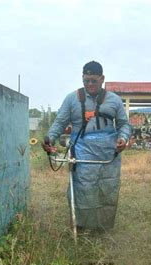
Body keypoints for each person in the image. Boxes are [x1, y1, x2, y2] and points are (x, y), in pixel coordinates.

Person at [42, 61, 131, 232]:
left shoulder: (114, 100)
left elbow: (124, 124)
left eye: (93, 81)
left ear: (102, 79)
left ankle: (103, 227)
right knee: (83, 188)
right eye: (86, 81)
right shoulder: (71, 99)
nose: (89, 84)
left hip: (108, 155)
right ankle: (81, 226)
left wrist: (123, 138)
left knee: (107, 188)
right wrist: (49, 139)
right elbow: (59, 123)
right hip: (82, 154)